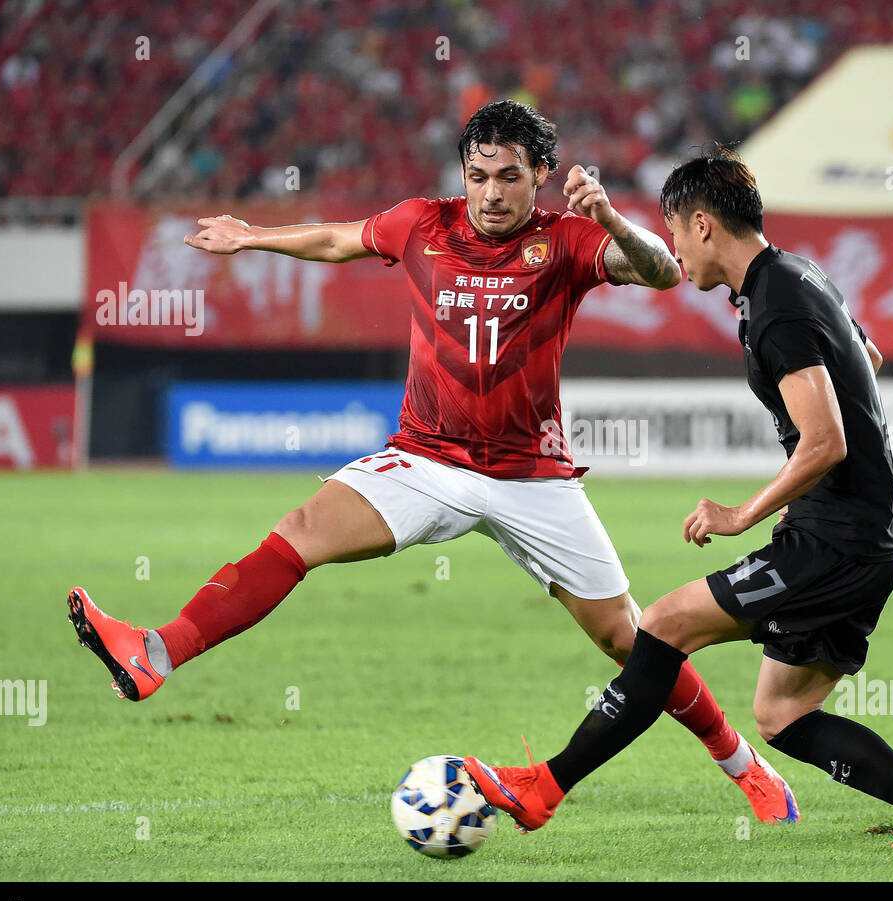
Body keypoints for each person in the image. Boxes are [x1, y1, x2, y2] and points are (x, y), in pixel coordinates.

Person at [66, 102, 798, 824]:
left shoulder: (567, 240)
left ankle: (743, 765)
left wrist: (607, 217)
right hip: (426, 458)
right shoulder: (422, 223)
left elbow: (665, 271)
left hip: (532, 478)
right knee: (300, 531)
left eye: (510, 176)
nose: (491, 193)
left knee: (628, 639)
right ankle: (156, 652)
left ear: (541, 175)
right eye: (478, 176)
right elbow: (335, 240)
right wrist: (252, 236)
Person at [464, 147, 893, 862]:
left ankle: (545, 788)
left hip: (835, 537)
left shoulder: (774, 307)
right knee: (782, 712)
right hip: (866, 530)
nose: (675, 252)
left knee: (666, 623)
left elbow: (825, 440)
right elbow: (868, 358)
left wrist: (742, 515)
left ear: (704, 225)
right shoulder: (798, 275)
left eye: (675, 232)